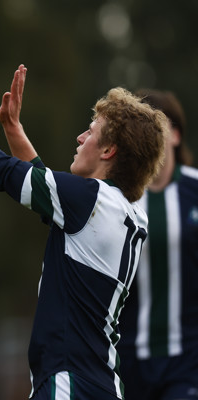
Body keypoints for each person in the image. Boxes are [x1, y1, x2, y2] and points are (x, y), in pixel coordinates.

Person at [0, 63, 167, 399]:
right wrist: (12, 128)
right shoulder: (130, 214)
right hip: (105, 385)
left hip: (70, 382)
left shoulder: (88, 199)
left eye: (91, 130)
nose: (80, 138)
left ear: (109, 151)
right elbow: (45, 188)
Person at [117, 89, 198, 400]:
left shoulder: (194, 190)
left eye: (157, 127)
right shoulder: (118, 200)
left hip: (187, 358)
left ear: (175, 135)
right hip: (127, 358)